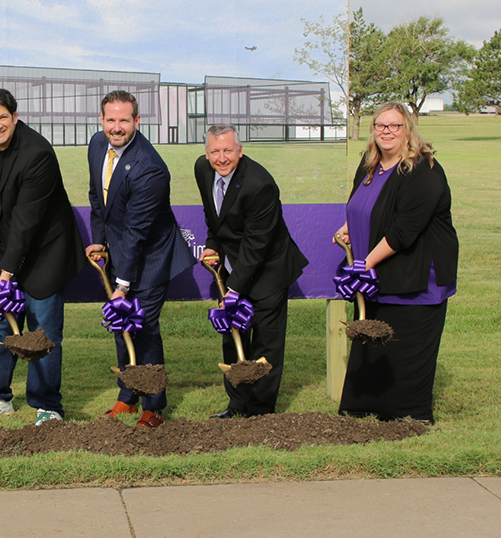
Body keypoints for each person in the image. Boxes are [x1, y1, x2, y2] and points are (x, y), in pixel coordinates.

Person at [0, 88, 86, 426]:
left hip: (45, 251)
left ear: (15, 118)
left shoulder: (38, 154)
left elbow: (26, 222)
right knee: (1, 325)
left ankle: (48, 405)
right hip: (6, 247)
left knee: (42, 332)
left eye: (3, 117)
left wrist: (5, 275)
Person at [334, 102, 457, 424]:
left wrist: (364, 264)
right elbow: (363, 205)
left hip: (416, 274)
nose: (386, 132)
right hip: (379, 270)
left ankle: (408, 413)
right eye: (381, 126)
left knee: (405, 345)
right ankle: (363, 406)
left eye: (395, 126)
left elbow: (404, 230)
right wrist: (349, 227)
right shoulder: (370, 163)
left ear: (408, 131)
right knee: (372, 341)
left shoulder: (423, 170)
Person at [86, 90, 196, 428]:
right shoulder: (96, 144)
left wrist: (121, 285)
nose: (116, 127)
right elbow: (97, 197)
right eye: (110, 120)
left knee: (144, 328)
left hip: (150, 258)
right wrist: (100, 242)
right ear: (101, 120)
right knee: (122, 327)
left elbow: (136, 232)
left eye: (124, 120)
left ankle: (154, 407)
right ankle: (127, 398)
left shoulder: (150, 169)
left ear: (137, 121)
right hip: (120, 250)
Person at [194, 124, 308, 418]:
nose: (222, 158)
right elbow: (214, 215)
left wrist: (234, 290)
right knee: (232, 336)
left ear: (240, 151)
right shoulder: (203, 170)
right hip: (235, 265)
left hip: (269, 269)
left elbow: (258, 245)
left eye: (228, 151)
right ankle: (236, 405)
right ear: (206, 154)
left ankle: (260, 411)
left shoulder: (260, 185)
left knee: (265, 343)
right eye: (215, 151)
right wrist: (212, 244)